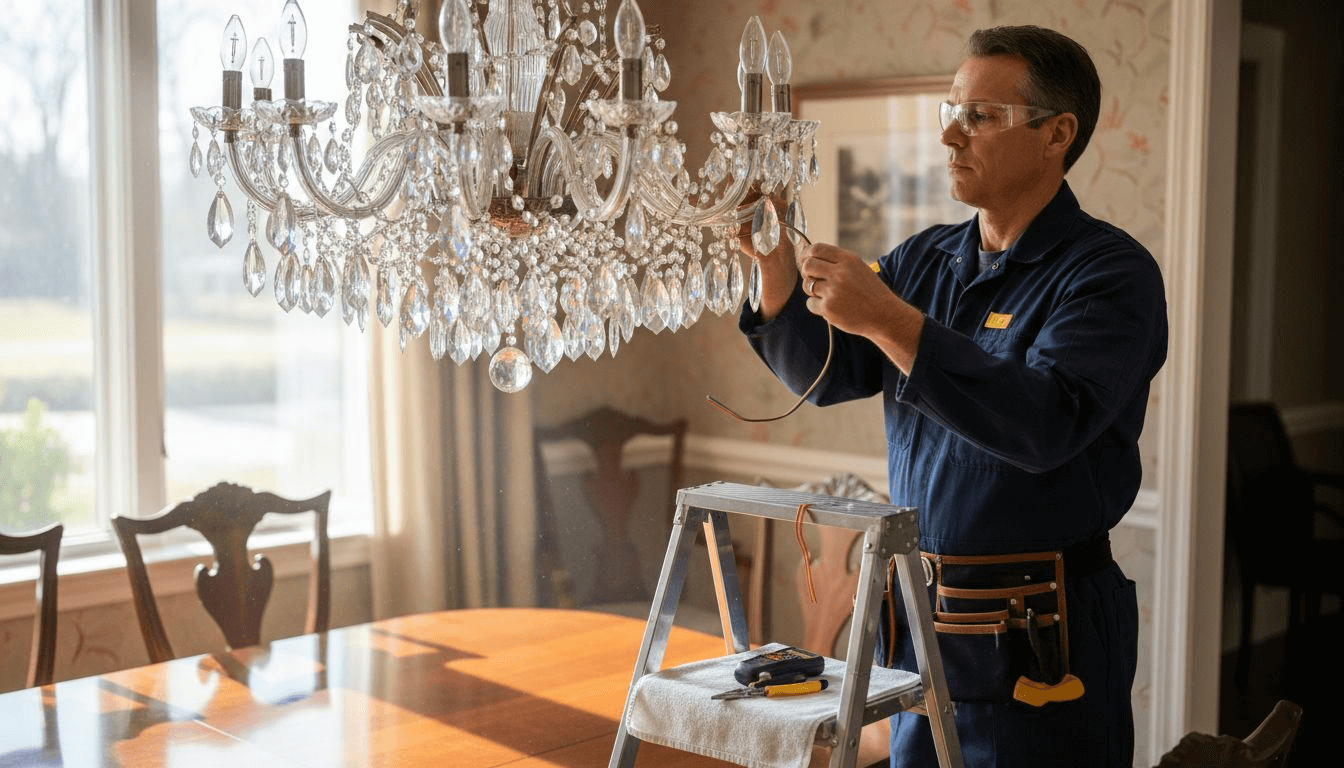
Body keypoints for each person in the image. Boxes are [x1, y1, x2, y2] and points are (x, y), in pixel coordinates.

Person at [737, 25, 1168, 768]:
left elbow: (1044, 422)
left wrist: (889, 318)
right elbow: (831, 373)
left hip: (1042, 633)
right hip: (921, 623)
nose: (949, 134)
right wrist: (775, 264)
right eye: (951, 109)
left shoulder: (1109, 274)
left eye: (979, 116)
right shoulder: (926, 258)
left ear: (1056, 134)